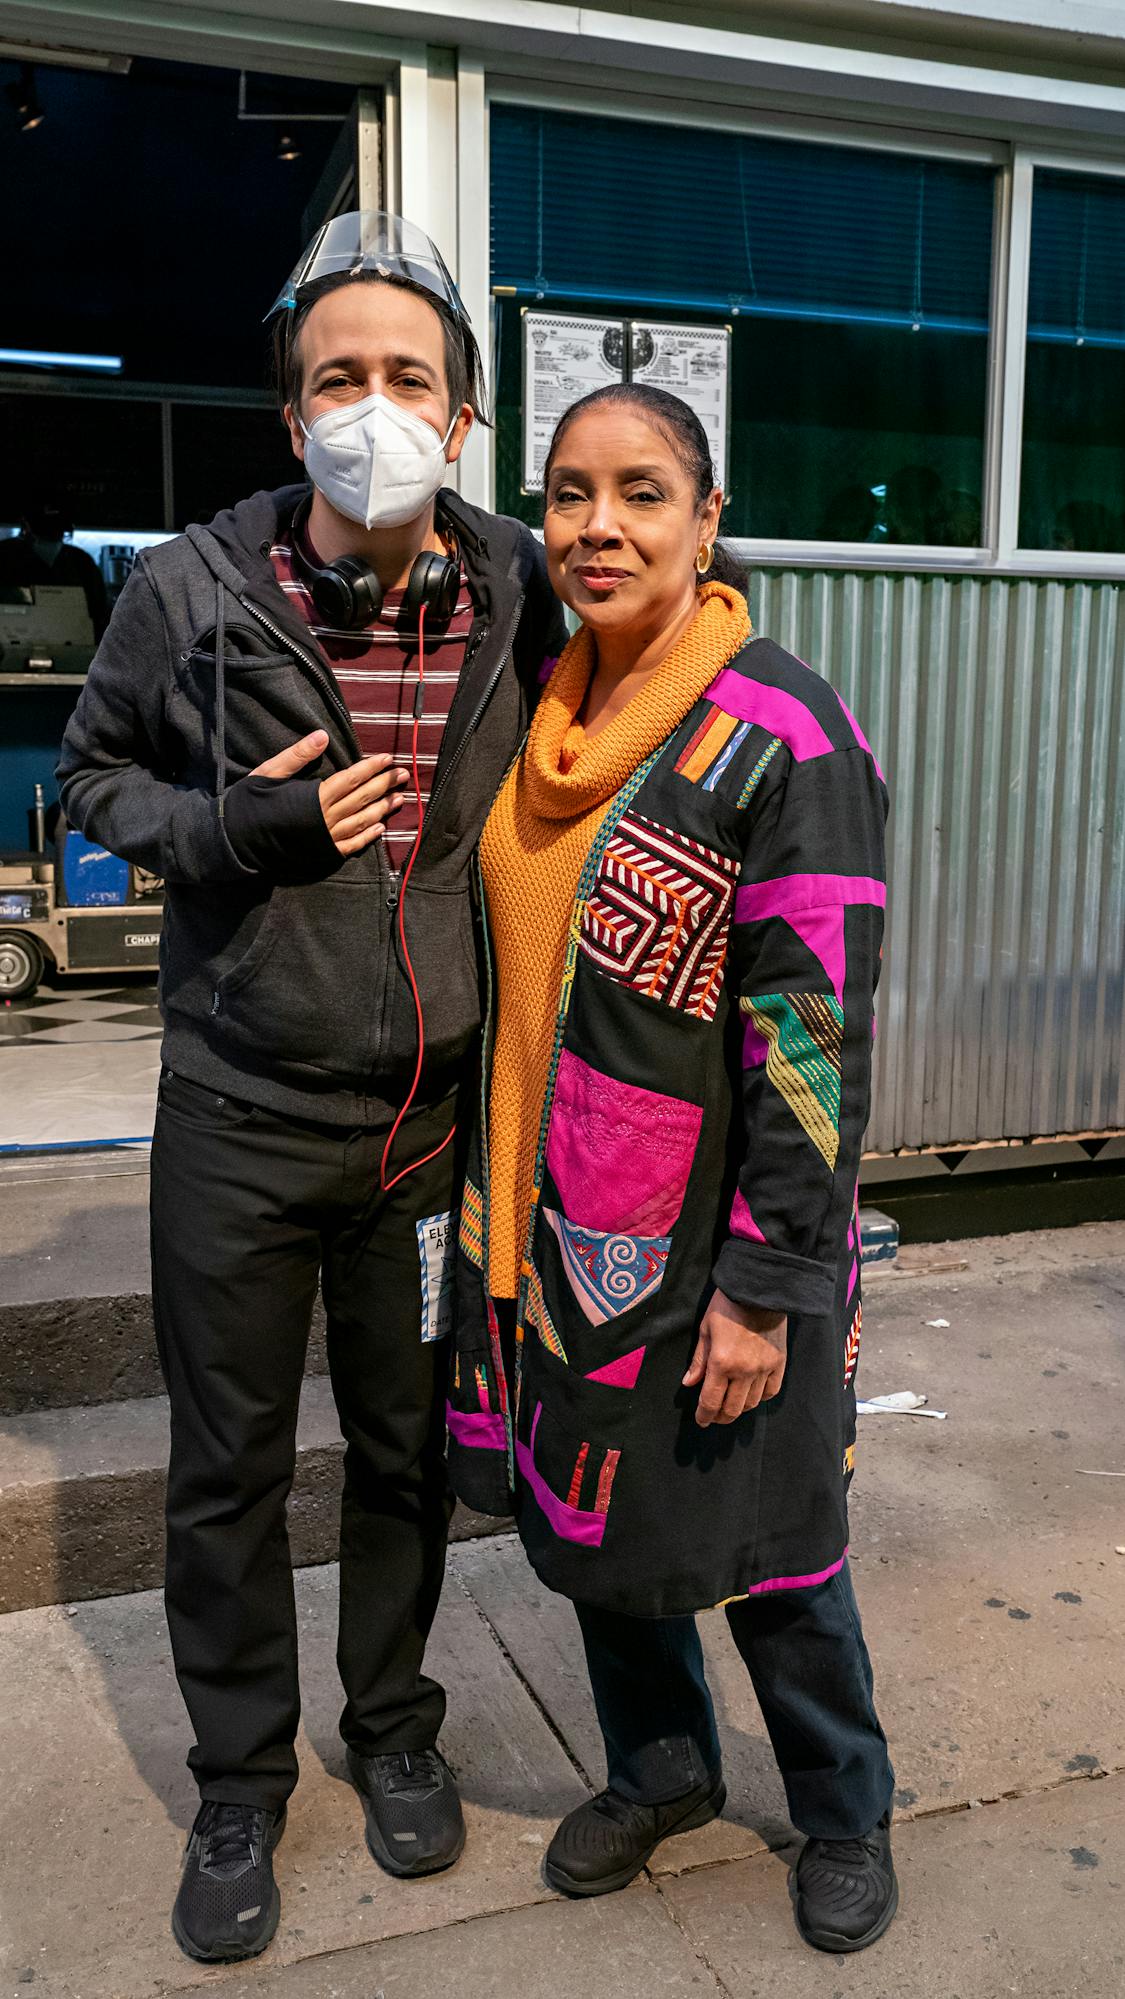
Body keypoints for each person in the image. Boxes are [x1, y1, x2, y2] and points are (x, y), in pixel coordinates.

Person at [57, 211, 565, 1967]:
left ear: (464, 414)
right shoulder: (187, 587)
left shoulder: (515, 582)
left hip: (423, 1134)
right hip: (239, 1121)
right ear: (293, 419)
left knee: (408, 1452)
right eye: (339, 378)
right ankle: (236, 1777)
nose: (373, 407)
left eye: (407, 377)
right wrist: (224, 829)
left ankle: (396, 1723)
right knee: (229, 1468)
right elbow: (87, 782)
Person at [447, 382, 897, 1955]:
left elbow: (812, 1036)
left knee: (773, 1557)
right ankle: (664, 1771)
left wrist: (769, 1281)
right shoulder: (543, 711)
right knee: (601, 1542)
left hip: (717, 1245)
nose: (597, 525)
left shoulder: (782, 729)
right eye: (568, 492)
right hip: (553, 1229)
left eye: (642, 491)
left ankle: (842, 1806)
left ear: (708, 520)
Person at [0, 495, 109, 637]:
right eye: (46, 534)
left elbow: (100, 615)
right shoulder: (5, 556)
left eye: (56, 533)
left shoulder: (82, 563)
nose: (52, 540)